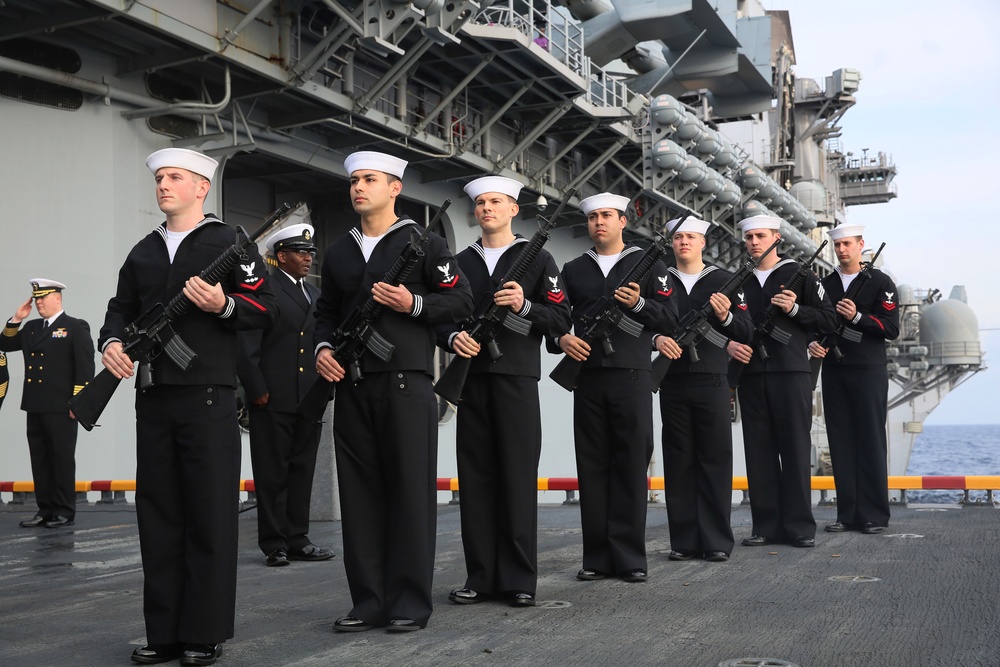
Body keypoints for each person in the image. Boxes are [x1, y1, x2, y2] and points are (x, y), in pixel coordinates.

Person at [99, 148, 276, 666]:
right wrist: (110, 343)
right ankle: (164, 634)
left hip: (208, 397)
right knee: (158, 518)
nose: (163, 185)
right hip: (154, 398)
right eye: (159, 177)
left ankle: (204, 632)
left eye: (175, 177)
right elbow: (120, 311)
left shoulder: (230, 242)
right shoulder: (143, 252)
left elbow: (264, 306)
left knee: (209, 515)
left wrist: (221, 305)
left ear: (202, 187)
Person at [314, 151, 473, 633]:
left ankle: (407, 602)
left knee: (409, 495)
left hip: (406, 384)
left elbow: (461, 299)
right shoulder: (340, 249)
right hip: (354, 387)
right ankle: (368, 601)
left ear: (394, 188)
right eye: (354, 180)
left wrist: (414, 302)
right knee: (360, 498)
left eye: (370, 179)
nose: (359, 187)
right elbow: (325, 310)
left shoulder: (424, 243)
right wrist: (322, 346)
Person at [438, 176, 571, 608]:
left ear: (514, 209)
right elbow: (442, 314)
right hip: (472, 378)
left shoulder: (538, 258)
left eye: (496, 202)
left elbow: (561, 319)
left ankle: (518, 579)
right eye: (480, 203)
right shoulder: (459, 261)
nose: (486, 208)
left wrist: (525, 306)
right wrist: (451, 338)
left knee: (515, 477)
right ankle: (480, 576)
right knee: (475, 479)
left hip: (516, 379)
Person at [551, 193, 678, 583]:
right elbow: (557, 314)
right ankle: (597, 559)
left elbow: (670, 318)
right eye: (592, 217)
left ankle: (630, 558)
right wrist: (560, 339)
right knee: (592, 467)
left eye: (607, 216)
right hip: (588, 377)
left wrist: (639, 305)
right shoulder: (573, 269)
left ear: (623, 221)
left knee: (629, 465)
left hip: (632, 376)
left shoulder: (649, 263)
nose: (598, 222)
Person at [728, 215, 836, 549]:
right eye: (748, 237)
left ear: (776, 238)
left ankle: (801, 527)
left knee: (794, 450)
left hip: (791, 373)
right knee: (758, 453)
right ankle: (766, 526)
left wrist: (794, 310)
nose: (754, 242)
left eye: (760, 236)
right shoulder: (739, 280)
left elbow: (829, 320)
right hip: (752, 375)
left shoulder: (798, 275)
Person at [653, 217, 753, 562]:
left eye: (691, 237)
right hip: (672, 380)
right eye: (678, 237)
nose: (684, 242)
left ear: (703, 243)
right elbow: (646, 321)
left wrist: (724, 319)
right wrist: (656, 339)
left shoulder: (723, 281)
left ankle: (716, 541)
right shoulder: (660, 278)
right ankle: (683, 541)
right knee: (679, 462)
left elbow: (746, 329)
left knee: (714, 460)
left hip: (712, 379)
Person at [237, 223, 335, 567]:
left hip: (308, 398)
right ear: (281, 257)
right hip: (273, 397)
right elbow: (247, 343)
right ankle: (274, 542)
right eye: (300, 253)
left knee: (301, 470)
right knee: (272, 473)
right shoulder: (266, 290)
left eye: (310, 253)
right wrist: (257, 390)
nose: (308, 258)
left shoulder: (315, 295)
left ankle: (298, 537)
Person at [808, 225, 899, 534]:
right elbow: (817, 323)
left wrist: (857, 317)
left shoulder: (880, 283)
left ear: (861, 244)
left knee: (871, 441)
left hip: (868, 371)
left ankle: (874, 515)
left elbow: (891, 328)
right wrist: (813, 342)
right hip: (834, 370)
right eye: (837, 244)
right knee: (841, 441)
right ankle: (847, 514)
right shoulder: (826, 284)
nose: (842, 249)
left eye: (848, 243)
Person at [1, 279, 94, 529]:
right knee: (40, 460)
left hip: (62, 406)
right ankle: (45, 510)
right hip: (35, 404)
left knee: (61, 459)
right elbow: (5, 344)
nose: (39, 302)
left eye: (43, 297)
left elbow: (85, 369)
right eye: (36, 298)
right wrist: (16, 319)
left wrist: (79, 403)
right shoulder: (31, 328)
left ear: (58, 298)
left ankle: (64, 511)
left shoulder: (74, 327)